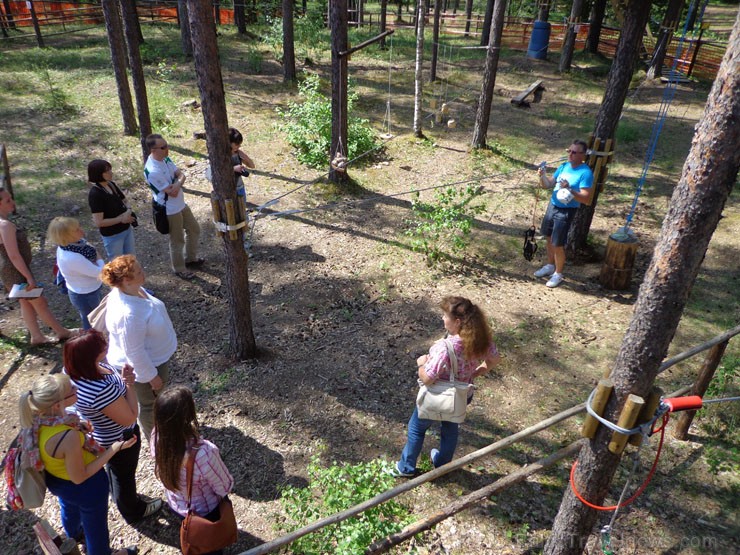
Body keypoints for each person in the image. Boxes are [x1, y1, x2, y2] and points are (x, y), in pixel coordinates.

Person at [18, 374, 138, 555]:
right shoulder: (68, 437)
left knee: (68, 507)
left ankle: (74, 533)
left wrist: (80, 426)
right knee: (96, 526)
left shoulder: (38, 419)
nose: (76, 388)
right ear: (58, 405)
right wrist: (113, 449)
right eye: (71, 389)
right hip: (85, 488)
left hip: (57, 481)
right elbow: (80, 476)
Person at [393, 296, 500, 477]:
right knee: (450, 430)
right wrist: (474, 373)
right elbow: (494, 360)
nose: (443, 318)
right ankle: (443, 466)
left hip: (437, 395)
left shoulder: (444, 348)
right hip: (461, 394)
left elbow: (427, 378)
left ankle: (405, 468)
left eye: (445, 316)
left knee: (416, 428)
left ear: (457, 322)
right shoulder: (482, 339)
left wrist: (421, 363)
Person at [64, 330, 163, 524]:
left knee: (115, 470)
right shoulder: (100, 389)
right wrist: (129, 384)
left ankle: (117, 493)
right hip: (120, 438)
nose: (107, 344)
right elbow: (129, 417)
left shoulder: (72, 371)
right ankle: (132, 510)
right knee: (124, 476)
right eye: (101, 346)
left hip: (101, 435)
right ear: (90, 356)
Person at [101, 255, 177, 441]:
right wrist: (152, 377)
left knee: (156, 402)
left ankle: (163, 429)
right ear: (126, 280)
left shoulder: (132, 291)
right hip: (147, 367)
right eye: (139, 272)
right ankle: (157, 442)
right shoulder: (129, 315)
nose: (144, 273)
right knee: (149, 405)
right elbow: (134, 352)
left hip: (156, 358)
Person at [152, 386, 235, 555]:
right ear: (188, 416)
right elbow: (224, 486)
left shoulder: (156, 436)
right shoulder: (204, 453)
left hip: (178, 506)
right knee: (211, 547)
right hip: (207, 512)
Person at [0, 187, 77, 345]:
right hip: (16, 272)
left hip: (13, 271)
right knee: (39, 301)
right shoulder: (5, 226)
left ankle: (36, 336)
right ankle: (62, 332)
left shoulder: (4, 223)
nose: (12, 202)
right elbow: (13, 255)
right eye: (7, 200)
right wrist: (28, 277)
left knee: (25, 301)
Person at [533, 140, 594, 288]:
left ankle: (558, 274)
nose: (570, 154)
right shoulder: (563, 167)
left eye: (574, 152)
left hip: (566, 210)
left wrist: (570, 190)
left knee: (558, 243)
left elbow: (586, 198)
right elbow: (548, 185)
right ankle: (550, 265)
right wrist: (542, 176)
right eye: (569, 151)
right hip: (552, 205)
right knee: (548, 237)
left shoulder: (585, 173)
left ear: (582, 155)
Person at [144, 134, 202, 280]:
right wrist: (178, 182)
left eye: (166, 145)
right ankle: (179, 268)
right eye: (163, 147)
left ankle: (191, 258)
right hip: (170, 210)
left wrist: (177, 182)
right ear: (153, 150)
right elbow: (173, 192)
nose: (167, 149)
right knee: (177, 240)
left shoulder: (165, 159)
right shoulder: (152, 171)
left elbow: (181, 175)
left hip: (180, 204)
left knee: (194, 229)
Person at [47, 217, 104, 330]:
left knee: (91, 317)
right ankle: (93, 343)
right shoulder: (72, 257)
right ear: (66, 236)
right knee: (93, 320)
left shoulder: (75, 245)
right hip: (86, 294)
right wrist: (99, 256)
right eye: (77, 230)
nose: (82, 231)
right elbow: (100, 272)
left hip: (86, 289)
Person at [87, 159, 136, 260]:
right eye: (107, 171)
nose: (111, 172)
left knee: (131, 261)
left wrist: (128, 211)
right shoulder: (95, 194)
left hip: (126, 229)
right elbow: (99, 222)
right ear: (98, 174)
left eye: (110, 169)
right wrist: (121, 219)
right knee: (118, 265)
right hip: (113, 235)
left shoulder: (111, 184)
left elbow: (125, 200)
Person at [229, 127, 256, 200]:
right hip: (227, 190)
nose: (239, 146)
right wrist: (234, 169)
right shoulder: (221, 156)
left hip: (239, 187)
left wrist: (245, 157)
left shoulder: (238, 153)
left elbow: (252, 166)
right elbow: (218, 171)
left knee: (242, 208)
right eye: (237, 144)